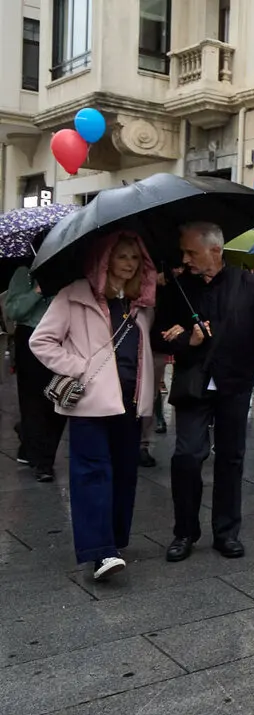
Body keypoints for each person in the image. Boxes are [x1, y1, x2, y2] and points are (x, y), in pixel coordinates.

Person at [154, 221, 254, 563]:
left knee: (231, 458)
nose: (185, 258)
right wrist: (189, 339)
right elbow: (160, 334)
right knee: (186, 455)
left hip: (234, 382)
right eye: (183, 252)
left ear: (215, 250)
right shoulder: (177, 286)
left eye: (191, 251)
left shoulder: (247, 282)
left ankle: (226, 532)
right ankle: (184, 531)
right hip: (193, 383)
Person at [28, 231, 158, 580]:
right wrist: (80, 367)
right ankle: (100, 552)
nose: (129, 264)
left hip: (128, 404)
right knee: (92, 474)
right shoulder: (74, 295)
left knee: (125, 476)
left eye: (135, 257)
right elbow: (41, 341)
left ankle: (113, 541)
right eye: (122, 256)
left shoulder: (139, 302)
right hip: (89, 403)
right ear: (105, 259)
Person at [6, 264, 66, 482]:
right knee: (33, 402)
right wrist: (38, 290)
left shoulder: (71, 271)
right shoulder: (24, 273)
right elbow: (13, 311)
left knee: (59, 400)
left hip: (62, 341)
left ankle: (30, 438)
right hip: (31, 339)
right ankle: (43, 462)